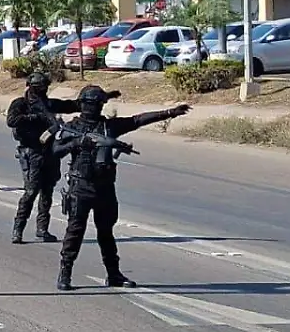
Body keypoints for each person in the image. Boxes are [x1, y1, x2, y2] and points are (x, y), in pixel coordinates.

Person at [51, 85, 190, 291]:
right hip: (81, 186)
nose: (93, 108)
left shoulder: (109, 127)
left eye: (97, 104)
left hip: (104, 187)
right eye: (90, 104)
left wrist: (169, 113)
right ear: (82, 105)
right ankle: (65, 273)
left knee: (106, 233)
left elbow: (137, 120)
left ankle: (113, 273)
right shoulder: (73, 127)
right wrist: (77, 144)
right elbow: (56, 150)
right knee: (75, 231)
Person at [5, 72, 81, 244]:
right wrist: (35, 117)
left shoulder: (48, 104)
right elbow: (12, 120)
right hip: (32, 152)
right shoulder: (21, 104)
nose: (45, 89)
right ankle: (18, 229)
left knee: (47, 192)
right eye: (42, 86)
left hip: (49, 152)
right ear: (32, 87)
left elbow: (69, 105)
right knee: (31, 192)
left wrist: (90, 101)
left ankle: (42, 229)